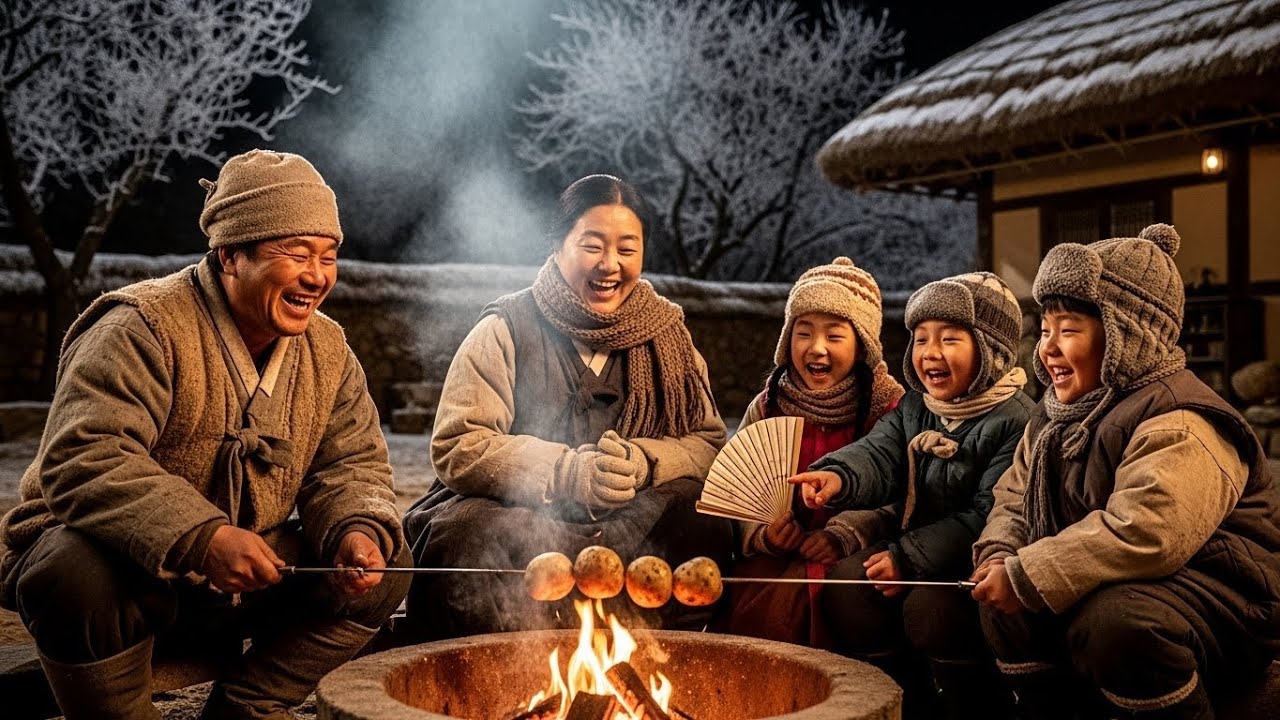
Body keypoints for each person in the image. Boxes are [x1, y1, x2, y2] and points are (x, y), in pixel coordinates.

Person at [0, 150, 411, 720]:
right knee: (73, 568)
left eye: (328, 255)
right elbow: (84, 457)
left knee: (386, 564)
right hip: (131, 571)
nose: (318, 276)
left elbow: (351, 466)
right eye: (296, 253)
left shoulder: (328, 349)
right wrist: (202, 537)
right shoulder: (141, 327)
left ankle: (249, 706)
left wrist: (354, 528)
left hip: (248, 570)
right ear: (230, 256)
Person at [401, 174, 732, 640]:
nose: (610, 265)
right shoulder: (506, 327)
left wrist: (644, 462)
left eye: (628, 248)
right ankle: (490, 673)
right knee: (464, 537)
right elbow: (460, 444)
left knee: (704, 520)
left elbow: (708, 442)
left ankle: (651, 658)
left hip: (631, 517)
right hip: (519, 513)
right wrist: (566, 473)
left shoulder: (669, 337)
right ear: (558, 246)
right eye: (592, 245)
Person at [969, 224, 1280, 719]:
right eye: (1045, 330)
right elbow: (1014, 496)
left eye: (1068, 330)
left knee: (1116, 623)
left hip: (1221, 598)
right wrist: (1002, 552)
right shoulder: (1052, 418)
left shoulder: (1181, 417)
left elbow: (1148, 529)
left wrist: (1032, 572)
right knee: (1005, 608)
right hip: (1119, 580)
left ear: (1126, 335)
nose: (1047, 347)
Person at [789, 271, 1033, 719]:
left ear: (992, 350)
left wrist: (906, 558)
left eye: (950, 339)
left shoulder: (1016, 421)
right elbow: (879, 454)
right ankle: (902, 699)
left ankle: (971, 703)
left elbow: (987, 514)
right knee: (846, 583)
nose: (930, 353)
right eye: (921, 339)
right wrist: (838, 476)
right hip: (914, 547)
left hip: (975, 561)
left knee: (930, 608)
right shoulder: (917, 408)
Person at [719, 257, 904, 646]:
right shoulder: (769, 404)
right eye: (803, 333)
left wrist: (845, 533)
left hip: (855, 552)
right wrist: (765, 534)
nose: (816, 348)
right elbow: (735, 494)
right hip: (777, 554)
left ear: (863, 346)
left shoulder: (888, 407)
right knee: (750, 599)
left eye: (835, 336)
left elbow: (903, 495)